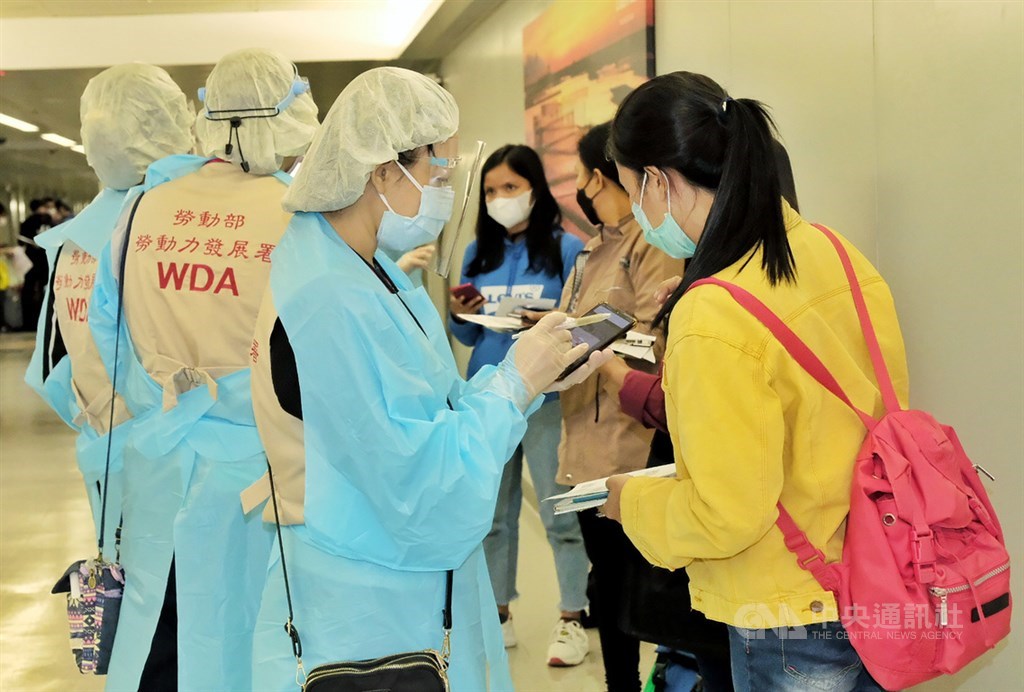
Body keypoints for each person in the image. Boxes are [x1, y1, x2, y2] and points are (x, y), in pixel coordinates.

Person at [246, 66, 610, 691]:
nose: (446, 193)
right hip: (367, 593)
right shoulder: (331, 294)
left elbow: (435, 407)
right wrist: (515, 383)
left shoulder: (369, 272)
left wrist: (530, 379)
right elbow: (416, 474)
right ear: (382, 172)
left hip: (395, 574)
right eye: (437, 174)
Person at [601, 71, 908, 692]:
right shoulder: (834, 250)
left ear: (659, 181)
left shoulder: (714, 310)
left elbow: (726, 513)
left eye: (633, 190)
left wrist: (628, 502)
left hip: (790, 609)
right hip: (880, 575)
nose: (637, 210)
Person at [89, 48, 318, 691]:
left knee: (158, 637)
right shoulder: (298, 218)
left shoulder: (138, 212)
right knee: (254, 642)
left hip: (160, 465)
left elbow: (106, 333)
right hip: (262, 479)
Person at [24, 64, 194, 597]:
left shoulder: (69, 246)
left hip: (105, 452)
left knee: (134, 599)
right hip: (189, 460)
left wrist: (98, 418)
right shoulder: (182, 229)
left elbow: (53, 365)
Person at [449, 144, 589, 664]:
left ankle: (573, 617)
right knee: (492, 516)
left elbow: (581, 328)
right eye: (490, 190)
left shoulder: (568, 249)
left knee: (558, 514)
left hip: (546, 397)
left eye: (510, 187)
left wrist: (546, 324)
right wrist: (459, 311)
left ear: (534, 188)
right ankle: (499, 614)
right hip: (488, 394)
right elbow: (462, 332)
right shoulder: (476, 255)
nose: (499, 198)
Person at [559, 121, 685, 692]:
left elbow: (656, 339)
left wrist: (599, 346)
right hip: (583, 436)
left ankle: (650, 679)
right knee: (607, 582)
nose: (586, 191)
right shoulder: (594, 247)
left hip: (631, 439)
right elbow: (576, 317)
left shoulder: (655, 244)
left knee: (640, 582)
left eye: (590, 179)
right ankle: (620, 684)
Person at [18, 198, 56, 330]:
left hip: (31, 264)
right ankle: (47, 321)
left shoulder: (27, 223)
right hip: (46, 262)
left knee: (30, 292)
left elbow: (21, 242)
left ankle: (29, 322)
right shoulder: (49, 221)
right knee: (46, 292)